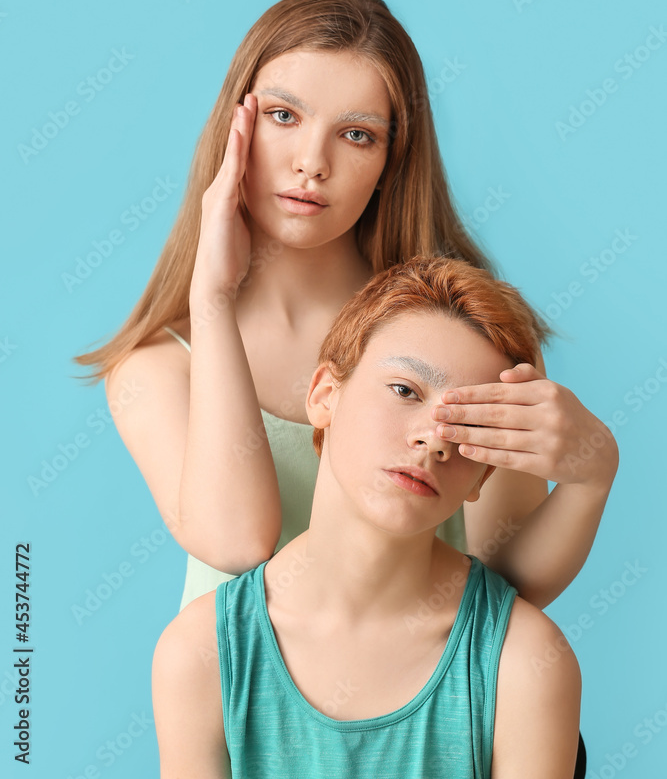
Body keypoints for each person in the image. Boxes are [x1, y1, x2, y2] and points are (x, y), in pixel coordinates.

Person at [73, 0, 618, 614]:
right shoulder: (155, 368)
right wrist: (213, 301)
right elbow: (238, 544)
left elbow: (506, 578)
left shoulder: (463, 332)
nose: (312, 162)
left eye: (356, 134)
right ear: (233, 126)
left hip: (428, 703)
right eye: (283, 116)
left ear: (392, 159)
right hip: (243, 707)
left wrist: (591, 472)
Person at [152, 255, 582, 778]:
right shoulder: (200, 654)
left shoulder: (525, 661)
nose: (434, 438)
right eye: (405, 391)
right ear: (324, 396)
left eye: (467, 425)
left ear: (482, 479)